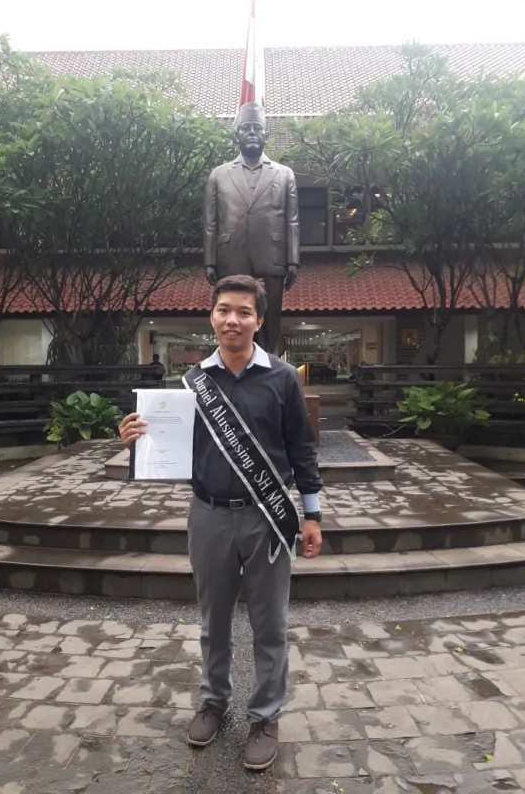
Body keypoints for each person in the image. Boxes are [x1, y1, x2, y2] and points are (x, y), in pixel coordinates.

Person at [119, 274, 323, 771]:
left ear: (259, 319)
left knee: (270, 624)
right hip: (208, 516)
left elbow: (302, 449)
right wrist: (137, 442)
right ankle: (213, 702)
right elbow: (172, 450)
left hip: (266, 518)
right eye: (224, 310)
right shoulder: (191, 384)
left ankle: (265, 718)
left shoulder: (282, 379)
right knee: (214, 620)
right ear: (212, 316)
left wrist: (312, 514)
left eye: (244, 312)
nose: (233, 320)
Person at [203, 102, 300, 356]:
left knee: (269, 318)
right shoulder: (218, 175)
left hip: (272, 256)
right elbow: (211, 222)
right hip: (230, 256)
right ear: (237, 135)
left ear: (266, 134)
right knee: (232, 314)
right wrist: (210, 261)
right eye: (246, 128)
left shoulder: (284, 174)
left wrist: (293, 260)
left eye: (257, 128)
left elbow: (292, 220)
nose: (252, 133)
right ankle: (232, 362)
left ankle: (269, 364)